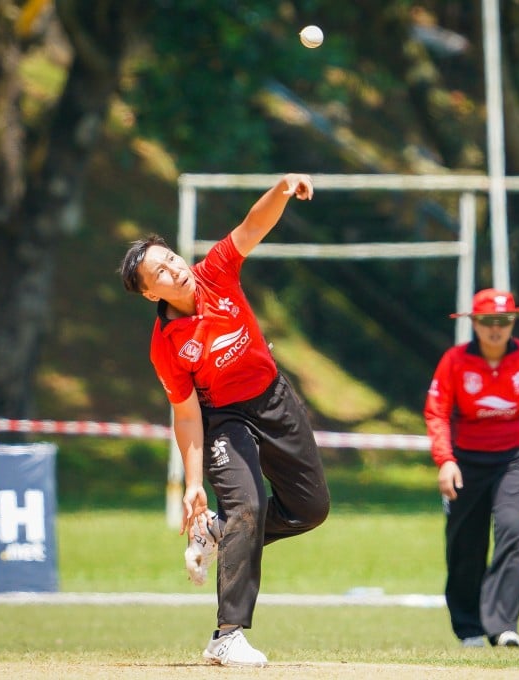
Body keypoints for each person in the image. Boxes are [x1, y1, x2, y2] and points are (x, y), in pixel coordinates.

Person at [118, 173, 330, 667]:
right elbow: (186, 415)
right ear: (150, 294)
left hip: (273, 398)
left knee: (311, 508)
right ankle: (227, 635)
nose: (174, 270)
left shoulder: (214, 270)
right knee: (247, 506)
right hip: (223, 420)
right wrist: (194, 484)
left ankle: (219, 531)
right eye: (160, 273)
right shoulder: (167, 345)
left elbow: (253, 226)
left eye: (171, 259)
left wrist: (282, 188)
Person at [423, 288, 519, 648]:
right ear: (475, 323)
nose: (496, 329)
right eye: (488, 321)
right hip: (466, 461)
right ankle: (469, 627)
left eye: (503, 321)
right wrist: (445, 460)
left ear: (512, 323)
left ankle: (504, 625)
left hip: (515, 459)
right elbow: (437, 412)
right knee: (465, 544)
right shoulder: (455, 361)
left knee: (512, 531)